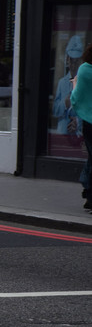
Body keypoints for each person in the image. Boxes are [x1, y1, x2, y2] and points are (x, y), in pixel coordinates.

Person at [70, 43, 92, 212]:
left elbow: (76, 98)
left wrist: (74, 84)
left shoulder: (84, 69)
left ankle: (87, 190)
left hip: (88, 122)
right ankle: (89, 195)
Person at [53, 35, 84, 136]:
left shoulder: (86, 83)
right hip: (62, 134)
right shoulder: (62, 83)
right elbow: (54, 110)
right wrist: (64, 104)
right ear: (67, 60)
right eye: (72, 61)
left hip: (79, 135)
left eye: (77, 61)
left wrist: (78, 121)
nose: (74, 65)